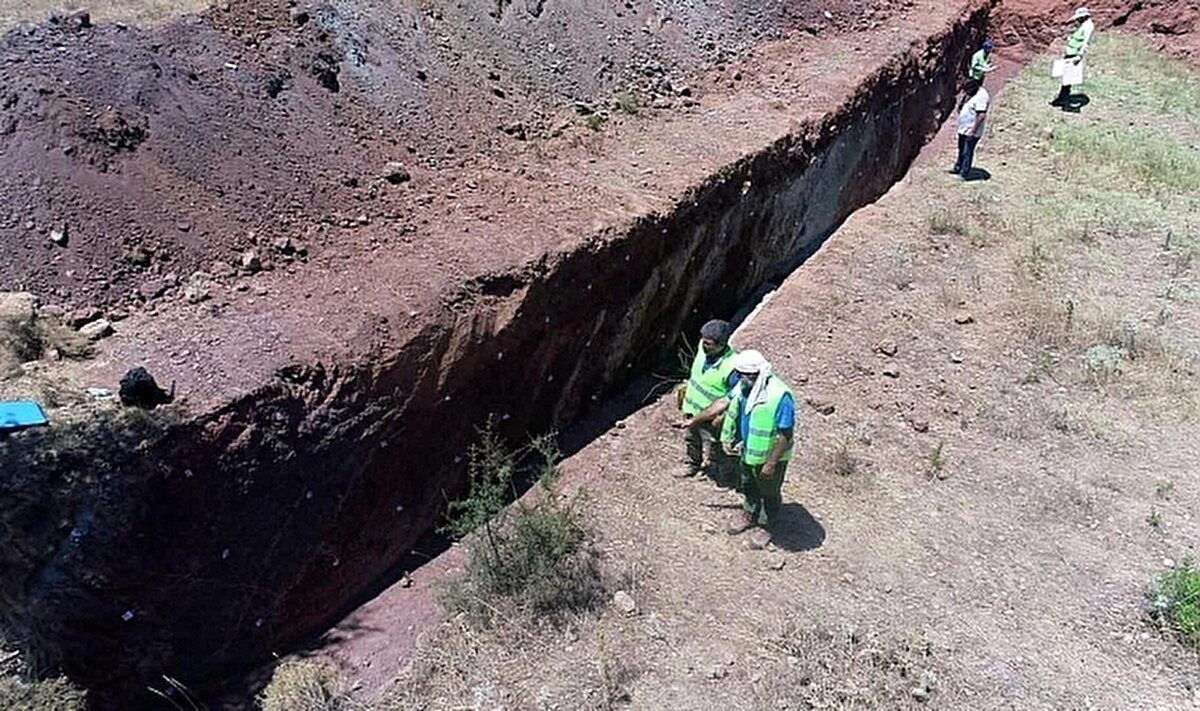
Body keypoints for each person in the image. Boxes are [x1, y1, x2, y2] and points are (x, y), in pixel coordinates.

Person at [720, 350, 795, 549]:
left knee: (769, 492)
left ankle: (766, 524)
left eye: (745, 375)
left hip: (770, 458)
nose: (741, 379)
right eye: (739, 374)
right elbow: (731, 406)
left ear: (757, 374)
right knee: (748, 484)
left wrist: (771, 463)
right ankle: (749, 512)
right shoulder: (744, 387)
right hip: (748, 452)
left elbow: (785, 434)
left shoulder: (779, 395)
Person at [672, 319, 739, 482]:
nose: (703, 345)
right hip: (692, 409)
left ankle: (720, 471)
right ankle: (692, 464)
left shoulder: (733, 366)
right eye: (703, 340)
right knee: (691, 438)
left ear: (721, 344)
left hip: (713, 415)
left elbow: (733, 397)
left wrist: (723, 417)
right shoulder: (703, 351)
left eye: (708, 343)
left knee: (714, 444)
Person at [1052, 7, 1095, 108]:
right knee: (1066, 76)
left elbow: (1085, 43)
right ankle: (1062, 98)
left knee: (1068, 78)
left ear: (1083, 17)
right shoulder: (1083, 25)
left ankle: (1062, 99)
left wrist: (1079, 55)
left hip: (1074, 54)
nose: (1077, 20)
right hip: (1071, 52)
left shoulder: (1088, 26)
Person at [952, 78, 989, 180]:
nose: (966, 92)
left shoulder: (982, 96)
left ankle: (964, 173)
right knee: (961, 149)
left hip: (971, 131)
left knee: (967, 151)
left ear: (973, 87)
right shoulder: (971, 92)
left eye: (967, 90)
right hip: (963, 128)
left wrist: (972, 131)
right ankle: (958, 167)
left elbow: (981, 115)